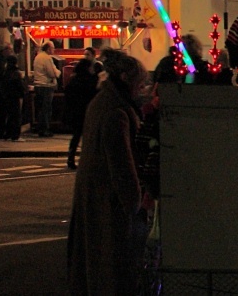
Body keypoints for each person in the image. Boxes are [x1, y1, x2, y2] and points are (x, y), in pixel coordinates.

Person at [67, 49, 147, 295]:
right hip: (109, 204)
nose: (141, 89)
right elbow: (121, 165)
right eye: (140, 83)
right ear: (126, 79)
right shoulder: (117, 112)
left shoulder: (102, 102)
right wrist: (135, 204)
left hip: (94, 197)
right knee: (113, 269)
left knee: (93, 264)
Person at [65, 58, 100, 170]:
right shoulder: (91, 80)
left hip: (75, 111)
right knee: (88, 137)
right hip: (87, 111)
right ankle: (87, 160)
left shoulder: (74, 79)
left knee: (76, 136)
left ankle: (71, 157)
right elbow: (95, 94)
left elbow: (68, 95)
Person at [32, 42, 61, 137]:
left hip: (38, 85)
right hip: (46, 86)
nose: (54, 50)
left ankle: (40, 128)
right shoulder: (47, 58)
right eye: (53, 48)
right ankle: (45, 129)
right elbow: (52, 73)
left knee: (40, 109)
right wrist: (58, 72)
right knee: (46, 109)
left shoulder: (38, 57)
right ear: (48, 49)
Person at [0, 56, 26, 141]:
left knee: (9, 116)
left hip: (6, 96)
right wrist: (23, 93)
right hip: (15, 96)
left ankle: (8, 134)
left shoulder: (5, 72)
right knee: (16, 116)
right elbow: (20, 85)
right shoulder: (16, 73)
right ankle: (15, 135)